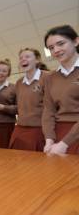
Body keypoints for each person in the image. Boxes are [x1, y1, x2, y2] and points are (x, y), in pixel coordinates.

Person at [43, 25, 79, 154]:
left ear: (75, 41)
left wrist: (65, 143)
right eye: (51, 48)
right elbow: (48, 110)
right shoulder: (50, 77)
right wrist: (49, 139)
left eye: (60, 44)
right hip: (59, 134)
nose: (56, 50)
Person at [8, 48, 49, 151]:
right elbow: (19, 106)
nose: (23, 59)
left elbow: (54, 107)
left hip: (40, 129)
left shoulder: (48, 77)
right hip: (20, 128)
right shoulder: (18, 83)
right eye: (21, 58)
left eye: (27, 56)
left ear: (37, 60)